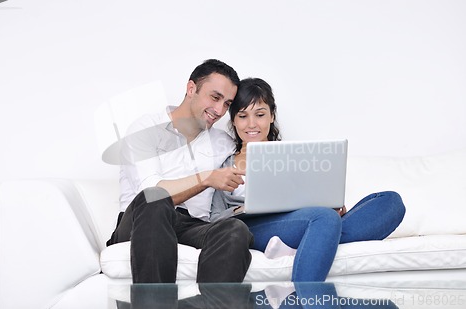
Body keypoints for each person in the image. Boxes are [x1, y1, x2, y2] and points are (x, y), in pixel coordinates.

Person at [211, 77, 406, 282]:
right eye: (243, 116)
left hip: (305, 220)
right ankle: (307, 289)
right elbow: (212, 220)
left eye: (260, 114)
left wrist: (327, 205)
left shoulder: (297, 157)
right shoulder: (225, 165)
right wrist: (241, 209)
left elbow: (312, 199)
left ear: (271, 116)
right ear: (233, 120)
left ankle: (311, 242)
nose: (251, 124)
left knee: (390, 201)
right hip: (255, 229)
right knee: (324, 219)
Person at [107, 59, 254, 283]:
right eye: (215, 97)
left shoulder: (222, 142)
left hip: (191, 225)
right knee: (155, 200)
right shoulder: (145, 130)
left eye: (227, 104)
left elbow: (251, 149)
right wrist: (206, 179)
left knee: (235, 229)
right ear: (191, 88)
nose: (219, 110)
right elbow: (152, 192)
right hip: (141, 222)